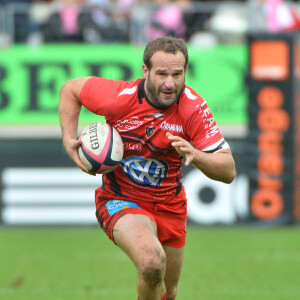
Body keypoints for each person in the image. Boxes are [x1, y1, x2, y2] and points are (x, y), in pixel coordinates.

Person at [58, 37, 236, 300]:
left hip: (170, 205)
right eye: (162, 73)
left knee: (168, 289)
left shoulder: (193, 109)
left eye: (177, 74)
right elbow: (70, 89)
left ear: (186, 71)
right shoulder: (119, 98)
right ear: (145, 71)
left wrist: (195, 155)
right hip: (121, 200)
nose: (170, 83)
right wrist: (68, 138)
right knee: (152, 263)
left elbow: (228, 170)